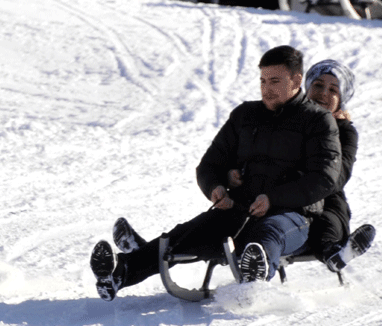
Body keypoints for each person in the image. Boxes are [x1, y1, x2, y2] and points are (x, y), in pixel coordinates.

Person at [90, 45, 342, 301]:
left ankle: (253, 282)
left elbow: (324, 177)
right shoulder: (245, 116)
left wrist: (273, 198)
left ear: (296, 80)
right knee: (186, 233)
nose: (266, 88)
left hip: (291, 216)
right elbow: (210, 164)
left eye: (275, 81)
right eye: (263, 81)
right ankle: (120, 272)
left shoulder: (318, 121)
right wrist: (216, 187)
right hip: (239, 209)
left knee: (269, 233)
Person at [300, 60, 375, 272]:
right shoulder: (288, 119)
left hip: (325, 195)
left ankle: (334, 253)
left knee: (329, 214)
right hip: (282, 191)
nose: (323, 93)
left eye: (333, 90)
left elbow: (339, 175)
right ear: (307, 88)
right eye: (318, 85)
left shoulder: (345, 132)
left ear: (342, 99)